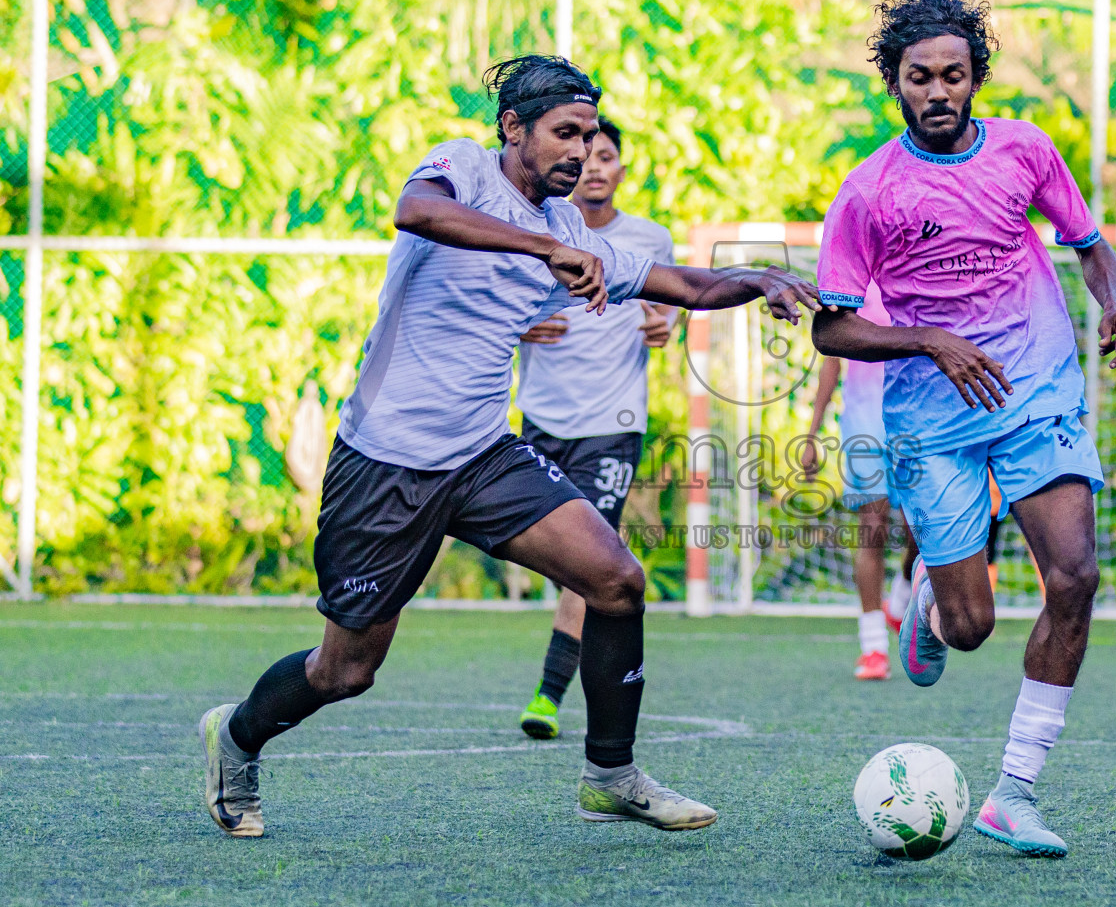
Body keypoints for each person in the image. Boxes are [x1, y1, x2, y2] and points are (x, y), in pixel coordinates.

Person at [198, 54, 820, 839]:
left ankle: (611, 775)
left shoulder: (569, 227)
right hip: (387, 459)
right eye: (565, 133)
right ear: (513, 129)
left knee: (616, 579)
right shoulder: (463, 168)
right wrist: (538, 249)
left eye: (592, 136)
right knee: (346, 670)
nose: (582, 152)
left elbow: (683, 284)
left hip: (482, 456)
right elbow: (413, 211)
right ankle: (238, 737)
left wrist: (759, 279)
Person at [810, 0, 1116, 858]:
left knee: (1074, 576)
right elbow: (834, 324)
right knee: (971, 630)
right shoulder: (868, 192)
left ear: (976, 78)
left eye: (953, 75)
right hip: (930, 418)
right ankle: (932, 601)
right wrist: (930, 339)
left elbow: (1089, 245)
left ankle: (1014, 793)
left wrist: (1113, 302)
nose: (937, 92)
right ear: (895, 82)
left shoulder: (1026, 151)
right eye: (919, 76)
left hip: (1038, 390)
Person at [513, 116, 677, 739]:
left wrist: (668, 328)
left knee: (593, 561)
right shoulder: (534, 233)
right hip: (542, 418)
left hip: (614, 423)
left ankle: (548, 697)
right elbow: (496, 311)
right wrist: (522, 328)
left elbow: (665, 311)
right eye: (588, 155)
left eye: (608, 154)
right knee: (563, 565)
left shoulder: (649, 239)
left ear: (621, 169)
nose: (597, 165)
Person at [800, 281, 917, 681]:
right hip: (865, 427)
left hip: (917, 422)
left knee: (922, 528)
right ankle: (873, 646)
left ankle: (900, 601)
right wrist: (811, 435)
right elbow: (830, 361)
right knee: (872, 528)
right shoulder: (849, 286)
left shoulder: (918, 275)